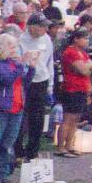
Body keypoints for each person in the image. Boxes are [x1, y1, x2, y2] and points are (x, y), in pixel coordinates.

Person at [0, 34, 35, 183]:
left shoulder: (14, 63)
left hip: (17, 107)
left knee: (7, 143)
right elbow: (6, 79)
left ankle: (2, 172)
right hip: (1, 107)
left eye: (15, 46)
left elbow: (25, 82)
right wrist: (21, 64)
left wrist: (31, 67)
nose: (14, 49)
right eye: (11, 46)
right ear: (2, 47)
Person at [16, 12, 55, 162]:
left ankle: (33, 151)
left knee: (37, 119)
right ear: (32, 27)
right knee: (21, 118)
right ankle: (18, 152)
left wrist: (50, 86)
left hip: (41, 80)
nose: (45, 29)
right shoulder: (20, 40)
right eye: (42, 26)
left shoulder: (46, 39)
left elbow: (49, 62)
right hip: (25, 81)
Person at [57, 29, 92, 157]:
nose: (87, 41)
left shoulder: (83, 53)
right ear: (76, 39)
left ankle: (70, 145)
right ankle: (61, 147)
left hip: (82, 89)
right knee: (68, 118)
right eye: (84, 38)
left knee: (76, 118)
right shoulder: (71, 52)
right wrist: (87, 66)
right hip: (71, 89)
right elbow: (85, 71)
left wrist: (87, 66)